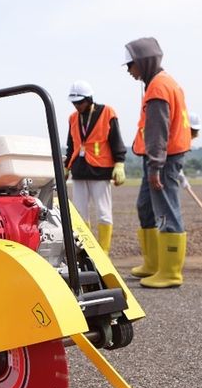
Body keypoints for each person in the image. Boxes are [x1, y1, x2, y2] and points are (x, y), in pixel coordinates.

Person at [123, 37, 192, 288]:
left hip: (162, 160)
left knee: (166, 211)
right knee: (145, 207)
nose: (129, 70)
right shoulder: (162, 83)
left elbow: (157, 132)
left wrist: (155, 166)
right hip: (159, 159)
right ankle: (153, 264)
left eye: (131, 64)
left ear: (143, 62)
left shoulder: (158, 88)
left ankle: (171, 272)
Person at [63, 80, 126, 253]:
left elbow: (116, 140)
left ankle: (103, 251)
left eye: (80, 102)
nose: (77, 106)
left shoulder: (107, 112)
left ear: (89, 99)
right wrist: (67, 166)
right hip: (79, 170)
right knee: (79, 213)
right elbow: (71, 144)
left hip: (101, 171)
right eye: (74, 103)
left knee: (103, 212)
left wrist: (119, 163)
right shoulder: (72, 118)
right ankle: (87, 251)